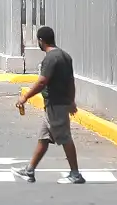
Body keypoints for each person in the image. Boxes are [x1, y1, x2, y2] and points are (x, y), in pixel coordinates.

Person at [14, 27, 83, 184]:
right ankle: (29, 171)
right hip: (55, 104)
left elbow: (42, 82)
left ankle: (75, 174)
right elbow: (71, 82)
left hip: (55, 105)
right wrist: (71, 100)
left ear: (41, 41)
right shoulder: (65, 56)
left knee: (65, 138)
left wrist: (25, 97)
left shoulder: (50, 59)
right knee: (44, 137)